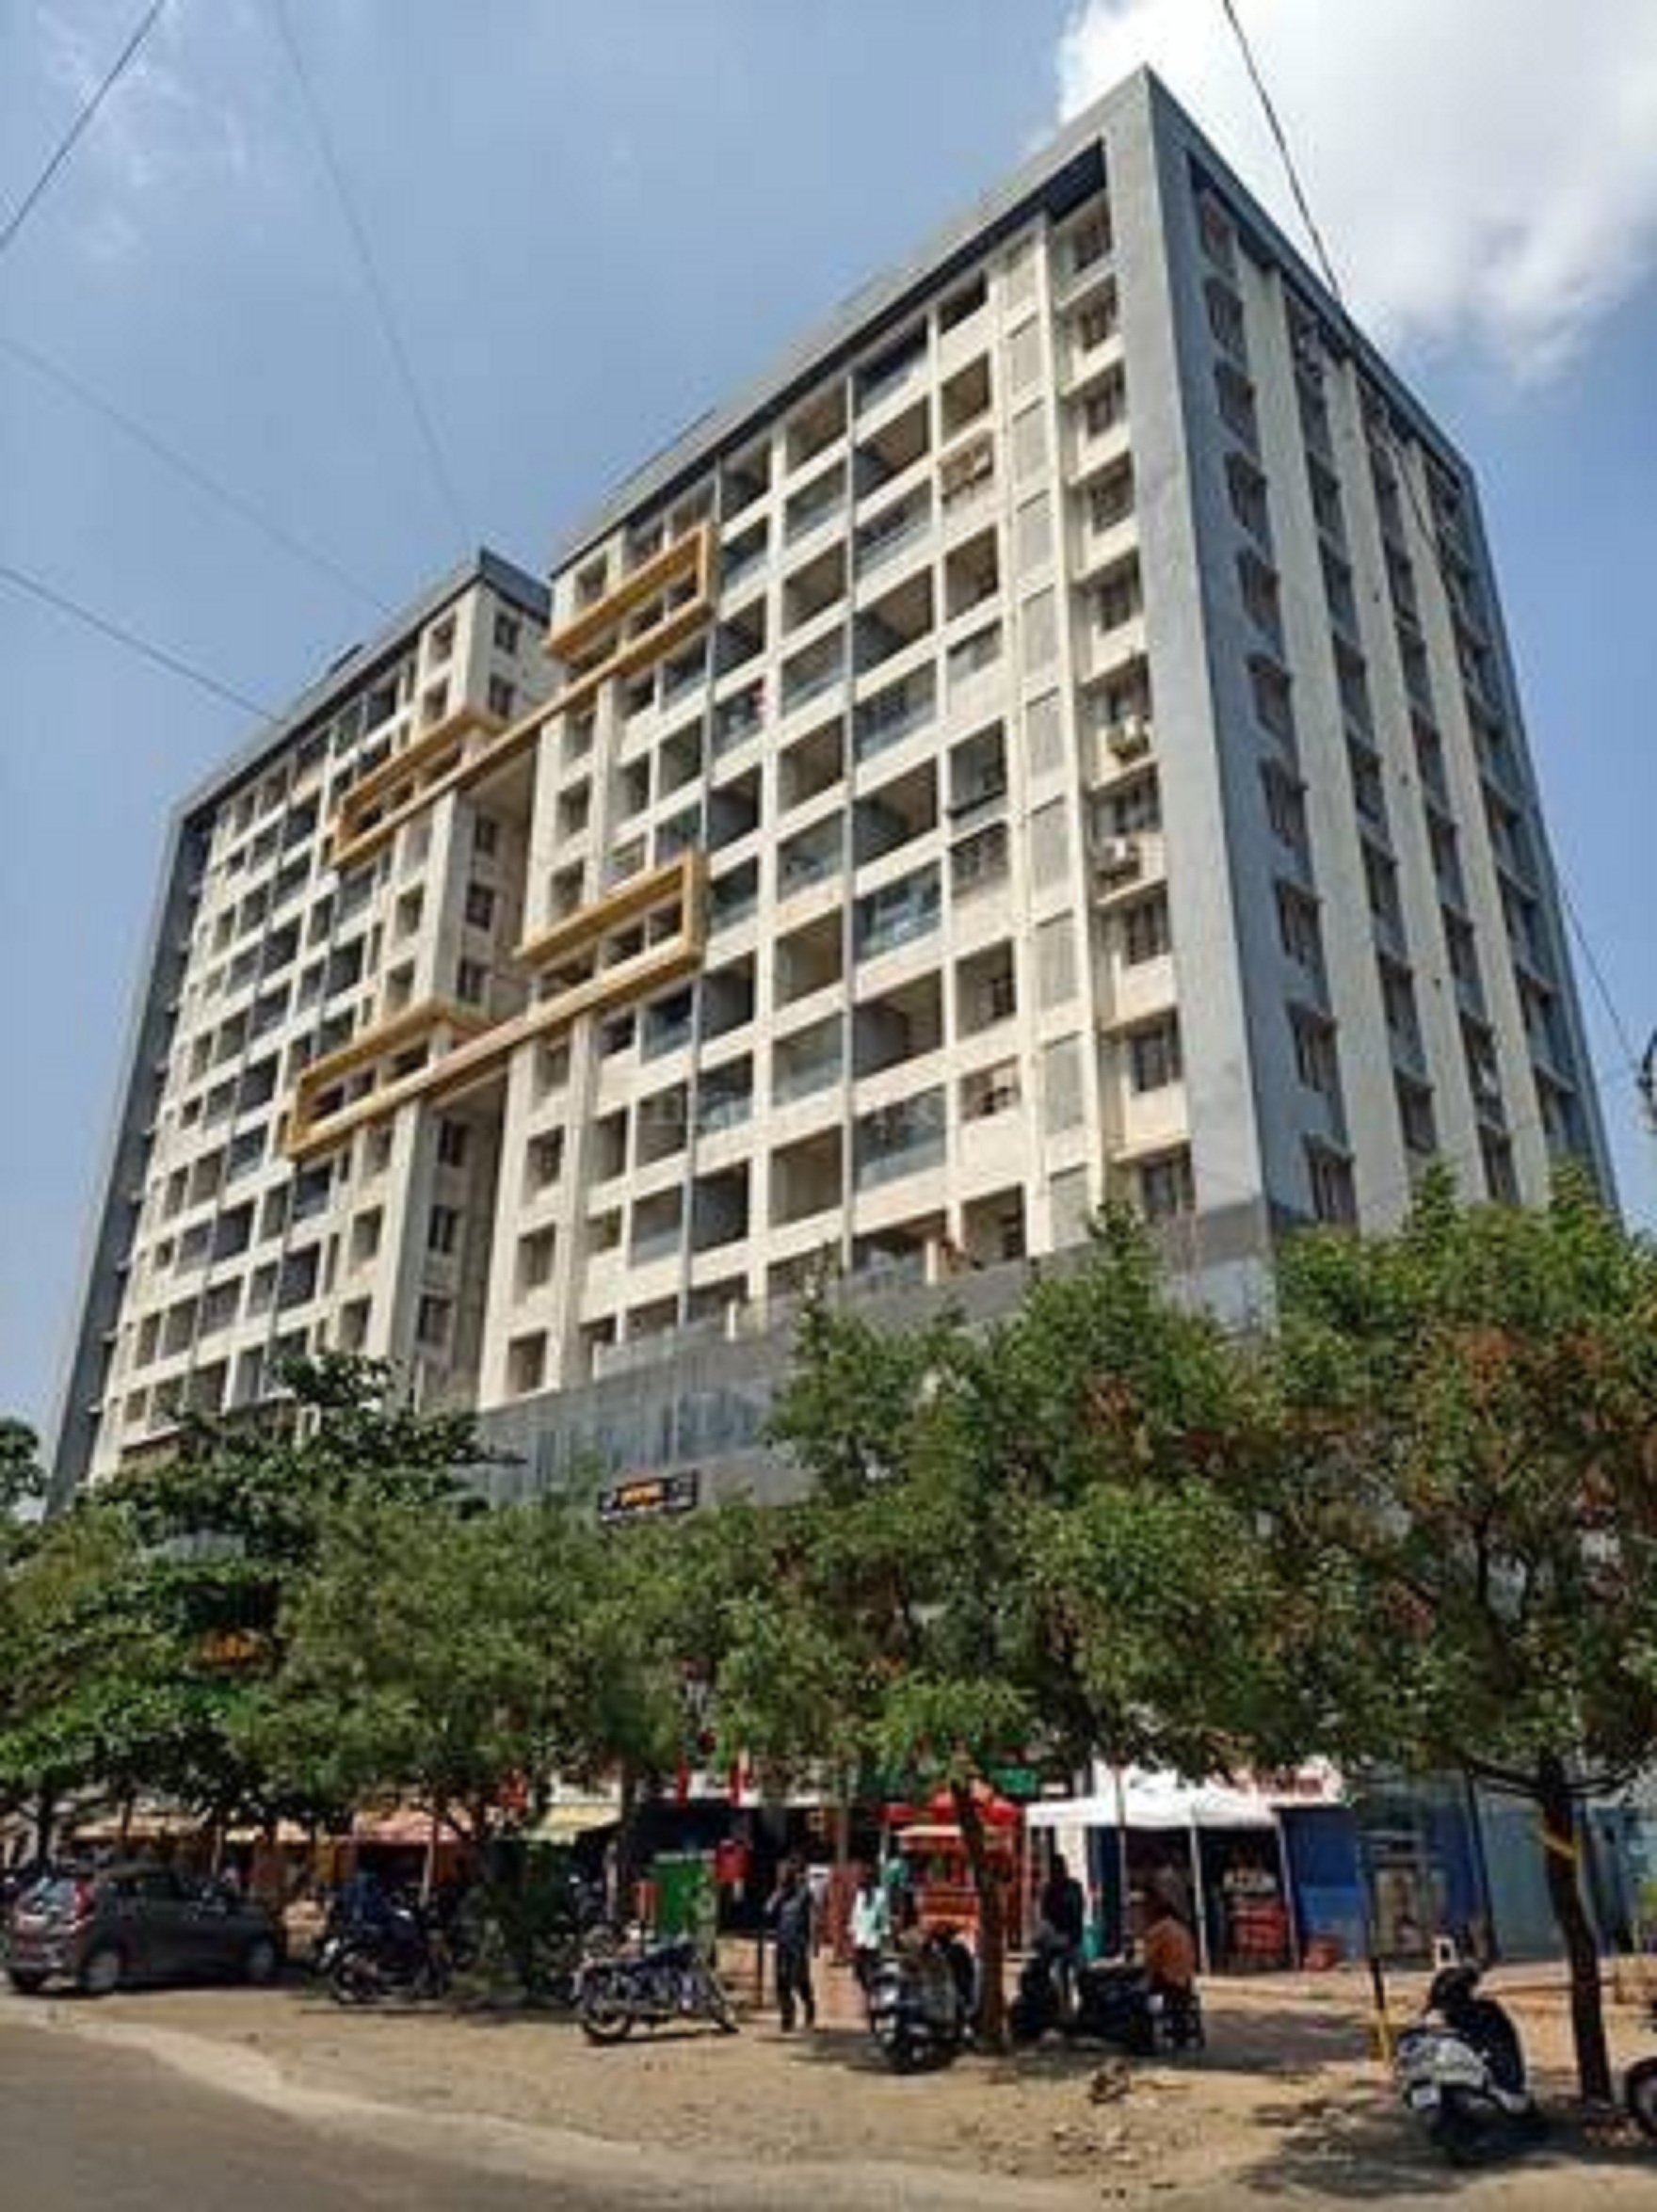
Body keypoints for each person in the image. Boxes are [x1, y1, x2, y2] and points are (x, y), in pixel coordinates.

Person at [767, 1856, 816, 2030]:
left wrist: (814, 1943)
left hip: (798, 1944)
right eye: (781, 1875)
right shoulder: (780, 1894)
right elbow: (768, 1910)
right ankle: (787, 2016)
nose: (783, 1878)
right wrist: (778, 1893)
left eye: (786, 1875)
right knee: (781, 1981)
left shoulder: (804, 1893)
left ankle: (809, 2007)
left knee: (800, 1980)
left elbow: (812, 1919)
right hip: (782, 1943)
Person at [1038, 1851, 1087, 2017]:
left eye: (1059, 1868)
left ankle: (1082, 2008)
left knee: (1081, 1978)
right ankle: (1066, 2012)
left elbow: (1079, 1911)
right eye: (1055, 1869)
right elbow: (1046, 1916)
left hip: (1074, 1940)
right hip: (1059, 1944)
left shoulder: (1074, 1887)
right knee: (1062, 1979)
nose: (1057, 1872)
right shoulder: (1049, 1890)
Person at [849, 1867, 890, 1995]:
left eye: (866, 1880)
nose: (864, 1882)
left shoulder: (880, 1896)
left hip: (873, 1937)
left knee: (872, 1967)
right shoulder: (860, 1896)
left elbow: (884, 1916)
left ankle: (872, 1992)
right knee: (859, 1969)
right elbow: (855, 1914)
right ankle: (866, 1989)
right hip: (860, 1937)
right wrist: (853, 1930)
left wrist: (885, 1932)